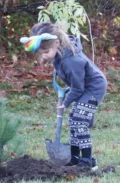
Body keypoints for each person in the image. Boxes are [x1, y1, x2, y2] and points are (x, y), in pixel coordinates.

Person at [20, 23, 107, 169]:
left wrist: (65, 103)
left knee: (79, 122)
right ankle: (74, 158)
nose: (44, 56)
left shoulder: (70, 61)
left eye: (46, 52)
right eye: (40, 53)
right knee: (74, 121)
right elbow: (75, 84)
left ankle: (87, 162)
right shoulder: (59, 56)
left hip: (93, 88)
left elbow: (78, 88)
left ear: (57, 43)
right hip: (83, 87)